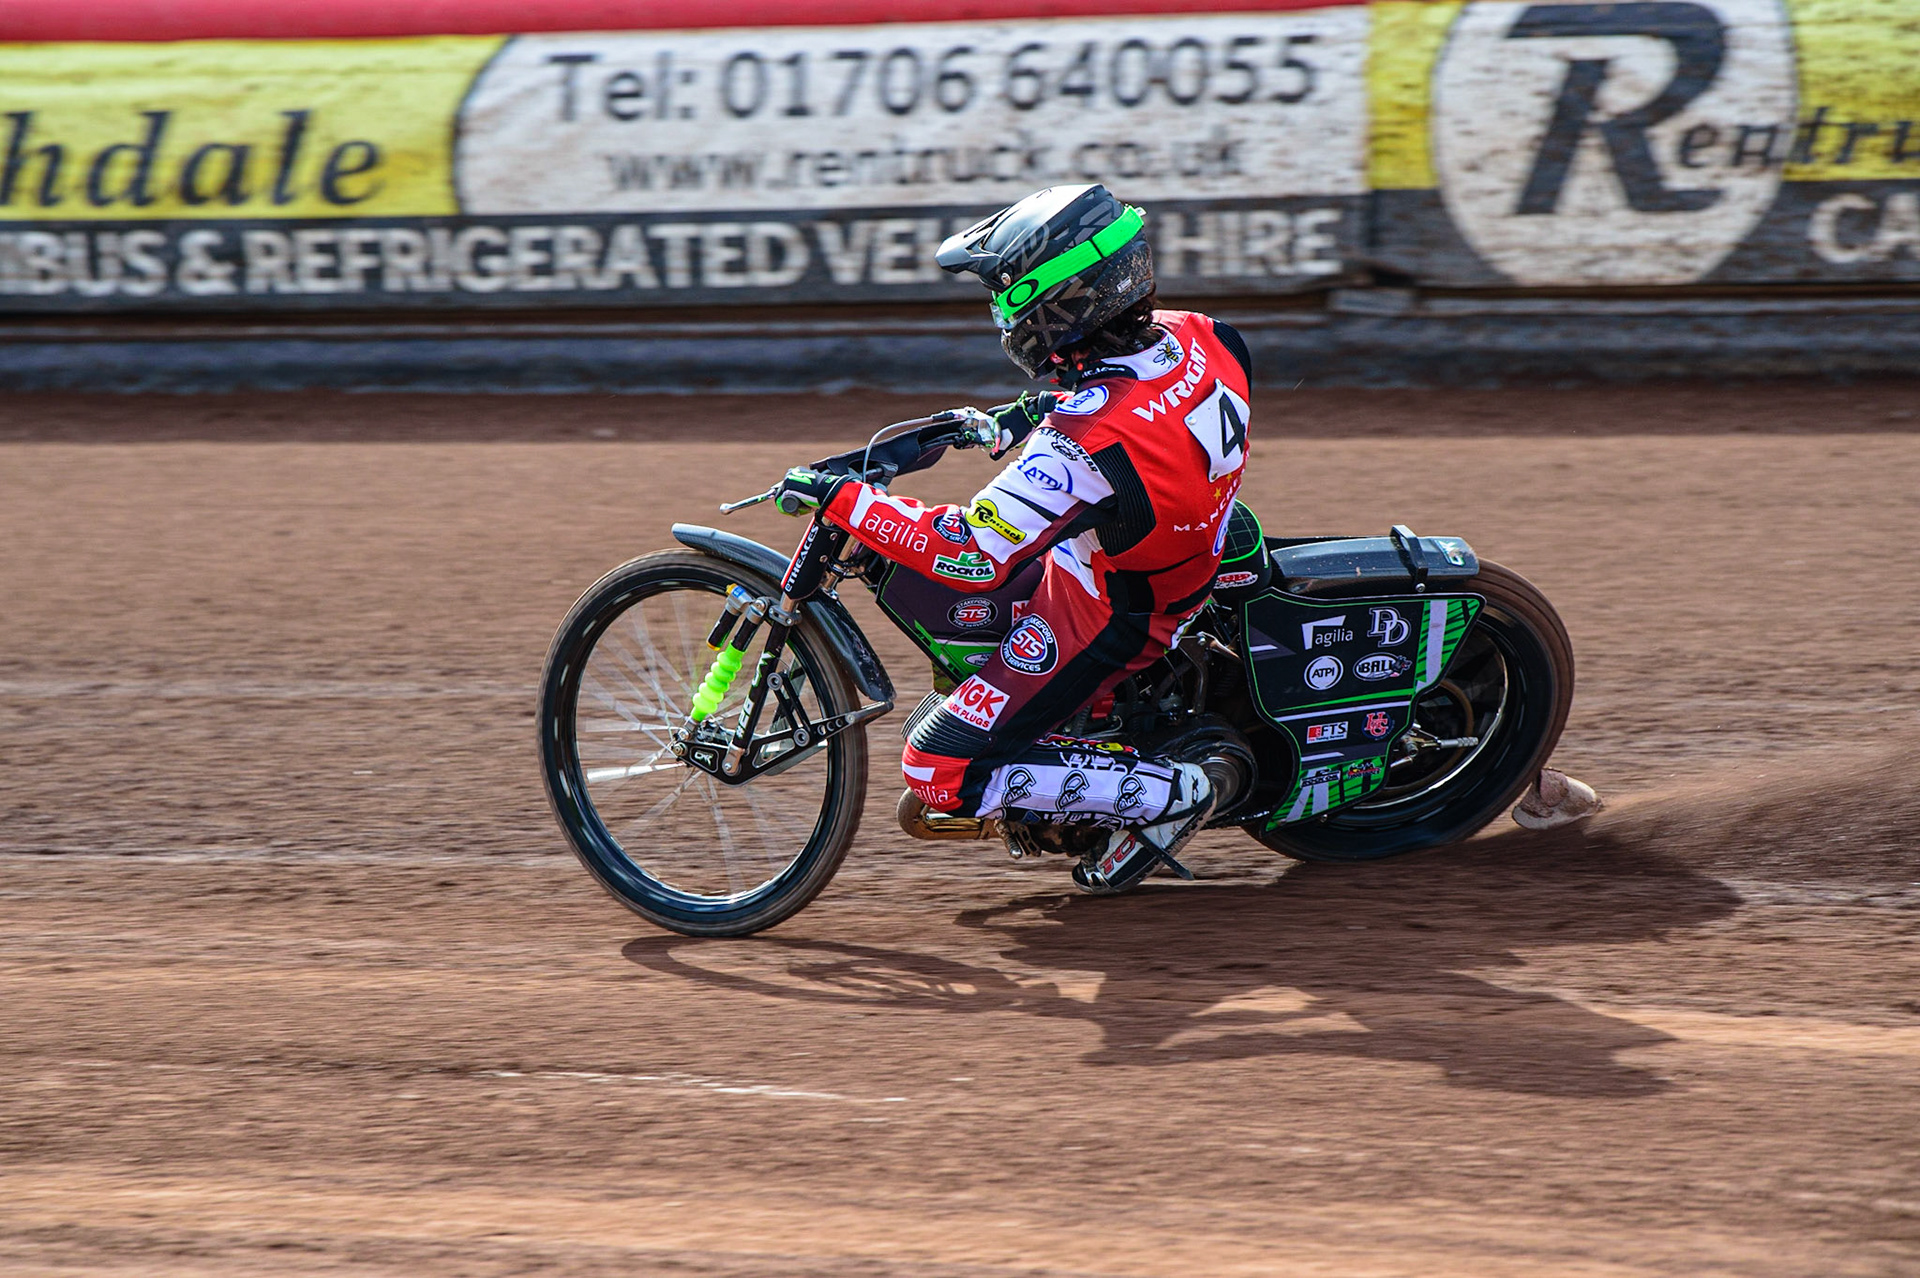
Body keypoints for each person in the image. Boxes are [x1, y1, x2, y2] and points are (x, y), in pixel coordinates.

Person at [771, 183, 1256, 894]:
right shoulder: (1204, 336)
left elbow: (971, 553)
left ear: (1056, 303)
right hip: (1186, 541)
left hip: (1111, 615)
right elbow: (1128, 396)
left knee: (935, 769)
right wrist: (1023, 416)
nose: (1000, 315)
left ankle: (1178, 793)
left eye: (1005, 297)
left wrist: (849, 501)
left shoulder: (1083, 442)